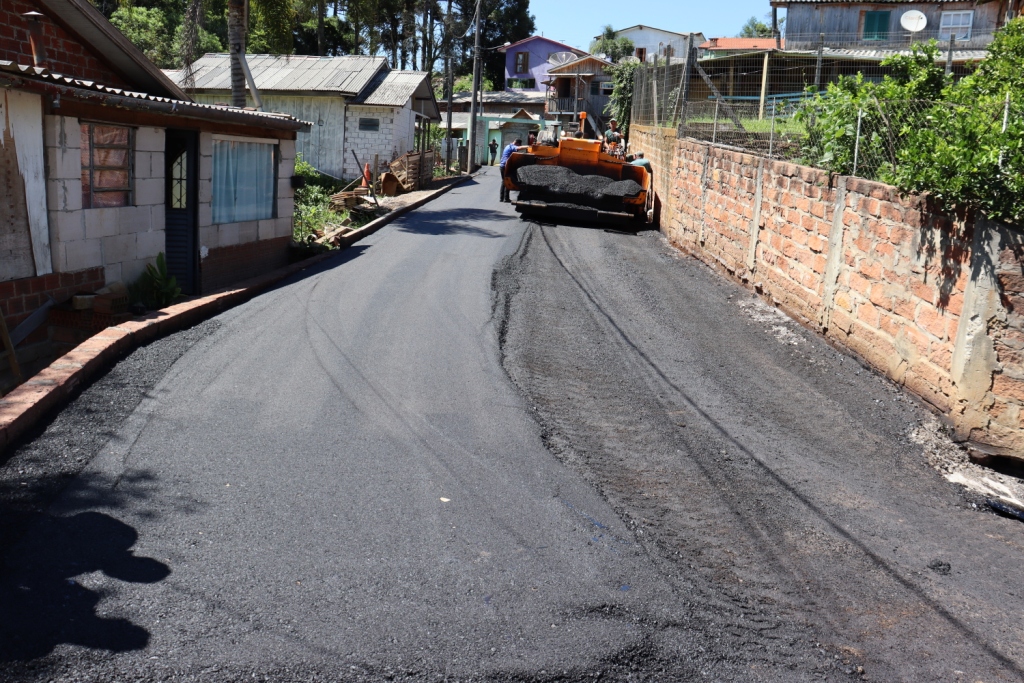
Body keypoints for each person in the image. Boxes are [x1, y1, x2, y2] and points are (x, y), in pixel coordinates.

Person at [498, 138, 526, 203]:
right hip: (506, 166)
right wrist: (529, 146)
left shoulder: (508, 146)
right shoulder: (512, 147)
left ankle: (501, 198)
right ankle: (506, 198)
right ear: (517, 143)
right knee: (508, 181)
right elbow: (519, 148)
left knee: (504, 181)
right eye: (518, 145)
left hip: (502, 165)